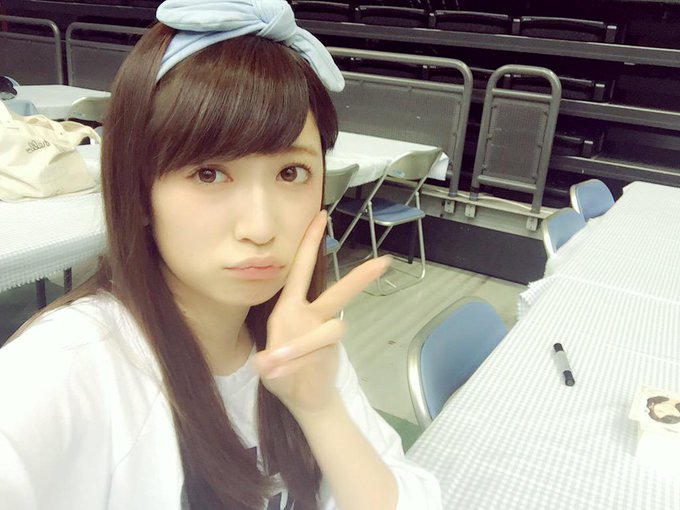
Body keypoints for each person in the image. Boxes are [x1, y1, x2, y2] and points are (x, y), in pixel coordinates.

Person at [0, 1, 442, 509]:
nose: (260, 228)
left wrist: (320, 408)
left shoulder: (298, 342)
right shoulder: (65, 369)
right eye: (209, 174)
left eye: (291, 173)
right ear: (138, 191)